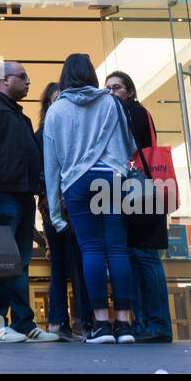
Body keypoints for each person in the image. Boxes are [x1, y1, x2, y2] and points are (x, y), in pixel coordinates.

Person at [43, 53, 137, 344]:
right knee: (118, 251)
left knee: (92, 251)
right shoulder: (111, 102)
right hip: (111, 178)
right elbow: (129, 146)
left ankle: (100, 325)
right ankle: (124, 325)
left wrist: (55, 211)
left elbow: (51, 164)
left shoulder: (56, 110)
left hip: (77, 183)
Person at [0, 61, 58, 342]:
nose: (28, 82)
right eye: (23, 77)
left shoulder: (22, 117)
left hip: (23, 197)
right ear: (4, 79)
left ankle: (23, 324)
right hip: (0, 196)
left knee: (20, 263)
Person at [105, 69, 173, 344]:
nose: (111, 92)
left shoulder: (134, 112)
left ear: (130, 92)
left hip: (142, 187)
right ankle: (144, 323)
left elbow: (129, 148)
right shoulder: (121, 113)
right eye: (107, 88)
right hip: (134, 188)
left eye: (117, 87)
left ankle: (156, 324)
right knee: (134, 257)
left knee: (145, 257)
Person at [35, 82, 81, 341]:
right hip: (52, 201)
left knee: (77, 263)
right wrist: (57, 192)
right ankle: (58, 321)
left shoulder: (71, 132)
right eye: (55, 100)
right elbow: (39, 171)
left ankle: (75, 321)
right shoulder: (42, 135)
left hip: (70, 199)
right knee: (63, 263)